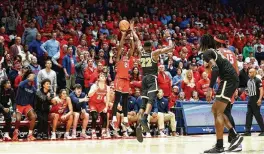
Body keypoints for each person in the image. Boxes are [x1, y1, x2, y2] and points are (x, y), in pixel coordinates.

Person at [200, 34, 243, 153]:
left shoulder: (207, 53)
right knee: (217, 110)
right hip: (231, 79)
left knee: (218, 111)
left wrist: (210, 88)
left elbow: (215, 69)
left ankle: (224, 143)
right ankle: (230, 138)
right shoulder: (215, 52)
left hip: (227, 80)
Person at [131, 24, 174, 142]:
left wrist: (132, 30)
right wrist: (169, 37)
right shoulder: (154, 54)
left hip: (143, 78)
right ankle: (144, 118)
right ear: (151, 47)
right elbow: (170, 48)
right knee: (151, 99)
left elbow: (137, 41)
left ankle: (139, 125)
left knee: (143, 104)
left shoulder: (141, 52)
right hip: (151, 78)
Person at [112, 24, 134, 129]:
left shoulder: (127, 58)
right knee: (117, 99)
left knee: (125, 100)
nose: (125, 51)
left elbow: (133, 48)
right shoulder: (118, 59)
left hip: (126, 80)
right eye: (123, 51)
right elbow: (120, 46)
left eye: (126, 51)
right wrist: (124, 35)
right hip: (119, 79)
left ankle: (125, 118)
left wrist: (132, 36)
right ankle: (113, 118)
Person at [13, 73, 37, 141]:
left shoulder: (33, 89)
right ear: (28, 77)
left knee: (33, 117)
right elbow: (19, 85)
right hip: (19, 104)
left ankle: (30, 134)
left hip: (27, 105)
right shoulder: (22, 84)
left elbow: (33, 99)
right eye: (31, 76)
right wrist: (28, 79)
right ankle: (15, 133)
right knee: (18, 118)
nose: (33, 77)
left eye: (34, 77)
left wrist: (32, 110)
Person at [88, 73, 110, 139]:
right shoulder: (94, 86)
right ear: (98, 78)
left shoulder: (107, 87)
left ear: (105, 78)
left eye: (104, 76)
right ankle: (93, 131)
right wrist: (94, 90)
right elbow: (89, 95)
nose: (103, 77)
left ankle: (103, 132)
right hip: (93, 103)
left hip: (101, 103)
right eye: (101, 76)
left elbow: (108, 98)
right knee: (94, 116)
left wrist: (106, 107)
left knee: (105, 116)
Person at [243, 68, 264, 136]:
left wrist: (260, 99)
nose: (249, 73)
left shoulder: (257, 80)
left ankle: (263, 130)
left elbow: (261, 90)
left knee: (257, 115)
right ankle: (247, 131)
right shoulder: (248, 80)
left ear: (254, 73)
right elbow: (248, 89)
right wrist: (247, 91)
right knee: (248, 115)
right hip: (250, 99)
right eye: (249, 72)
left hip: (256, 99)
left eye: (251, 72)